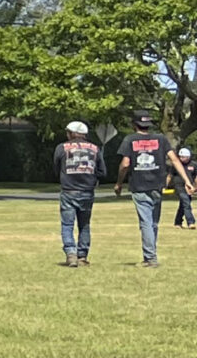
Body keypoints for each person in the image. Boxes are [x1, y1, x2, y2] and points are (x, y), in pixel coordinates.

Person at [114, 111, 171, 266]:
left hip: (139, 185)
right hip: (157, 185)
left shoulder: (130, 140)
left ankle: (150, 257)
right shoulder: (161, 139)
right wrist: (187, 180)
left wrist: (119, 183)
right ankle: (151, 253)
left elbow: (125, 164)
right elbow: (174, 159)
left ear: (134, 124)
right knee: (153, 222)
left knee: (145, 222)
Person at [54, 119, 102, 266]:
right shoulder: (95, 149)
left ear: (70, 134)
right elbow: (102, 171)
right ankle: (82, 255)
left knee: (67, 224)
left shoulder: (61, 148)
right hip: (87, 191)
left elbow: (56, 169)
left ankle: (70, 253)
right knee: (84, 225)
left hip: (69, 190)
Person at [174, 145, 196, 229]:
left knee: (183, 205)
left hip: (189, 187)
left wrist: (195, 187)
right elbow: (170, 176)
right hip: (179, 187)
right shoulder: (176, 165)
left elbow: (196, 177)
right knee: (186, 203)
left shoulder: (194, 165)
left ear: (188, 156)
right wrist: (165, 185)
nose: (182, 158)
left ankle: (177, 222)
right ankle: (191, 222)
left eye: (184, 157)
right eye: (181, 157)